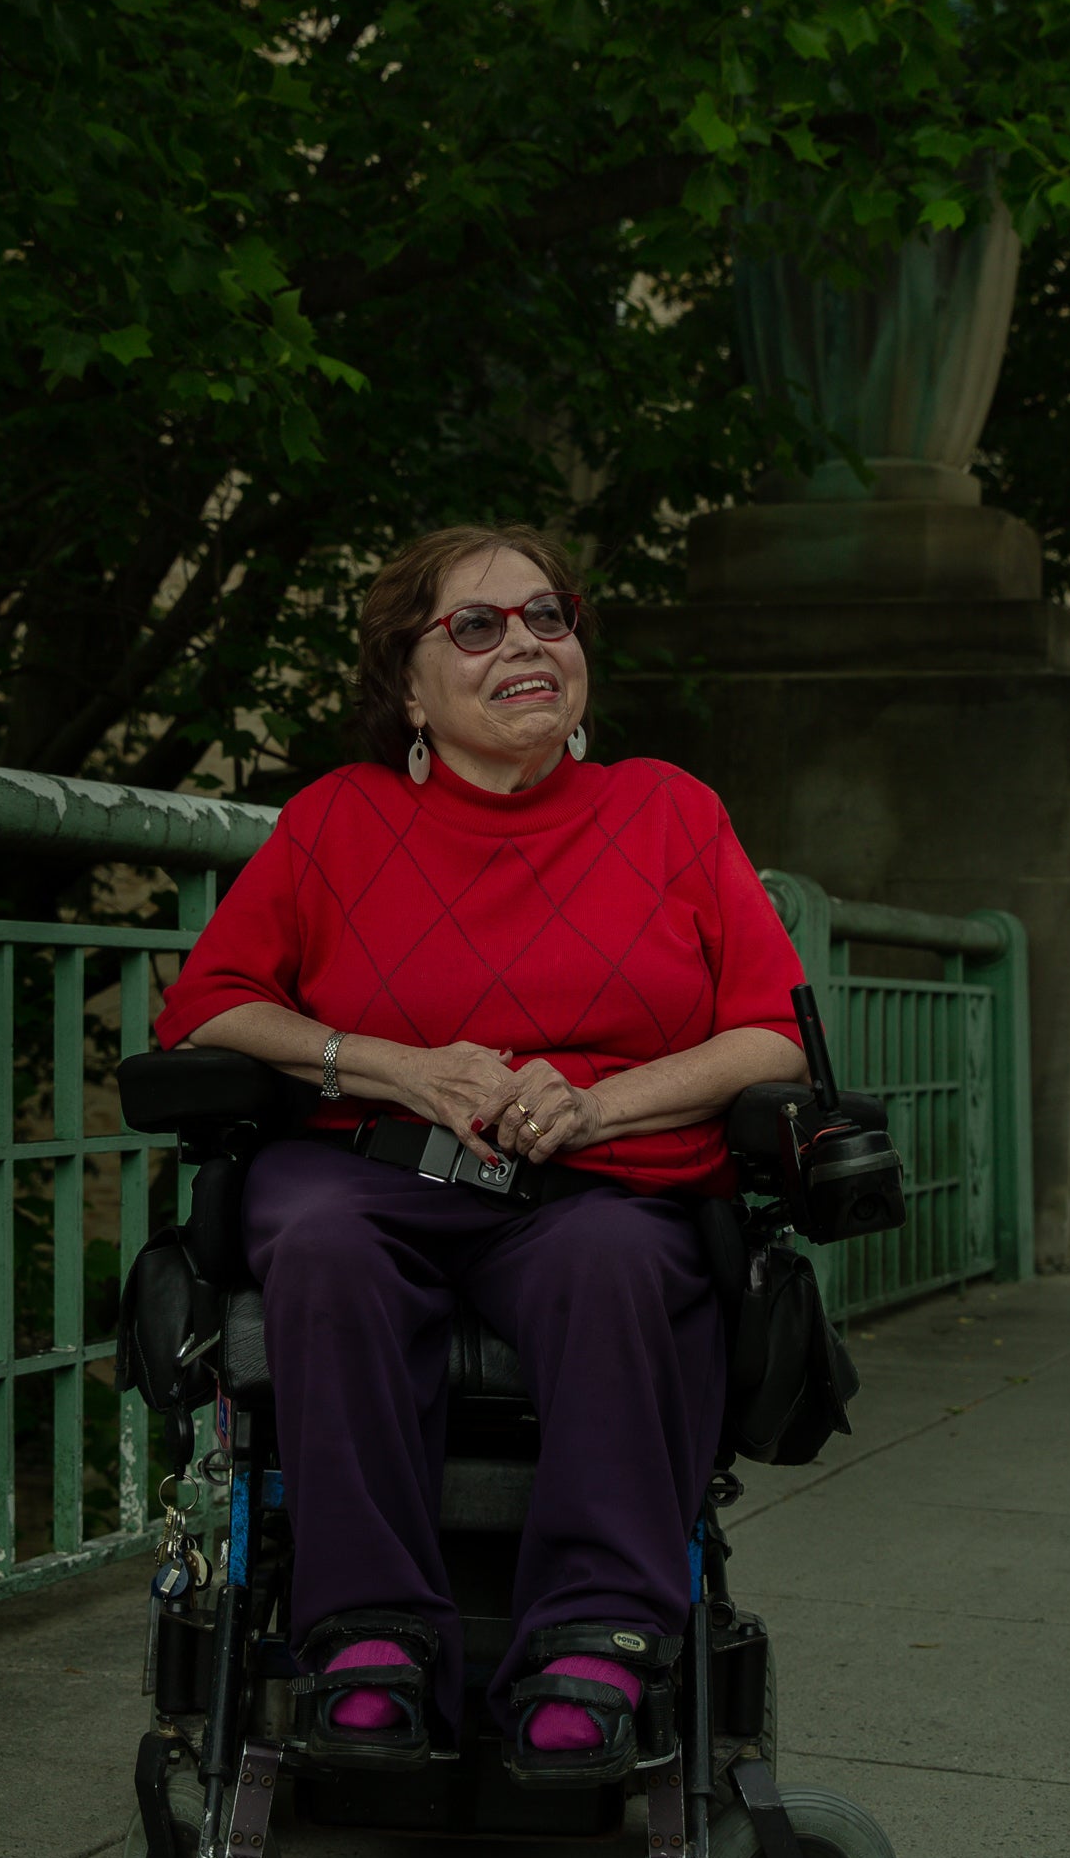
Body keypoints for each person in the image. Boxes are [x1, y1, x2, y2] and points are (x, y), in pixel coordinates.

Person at [151, 523, 809, 1782]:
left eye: (549, 616)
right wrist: (396, 1063)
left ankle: (596, 1642)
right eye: (477, 624)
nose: (525, 642)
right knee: (328, 1245)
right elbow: (212, 1003)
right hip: (373, 1161)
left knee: (615, 1260)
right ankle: (367, 1637)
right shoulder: (338, 820)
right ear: (408, 680)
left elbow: (771, 1034)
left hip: (599, 1172)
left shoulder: (669, 810)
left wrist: (604, 1104)